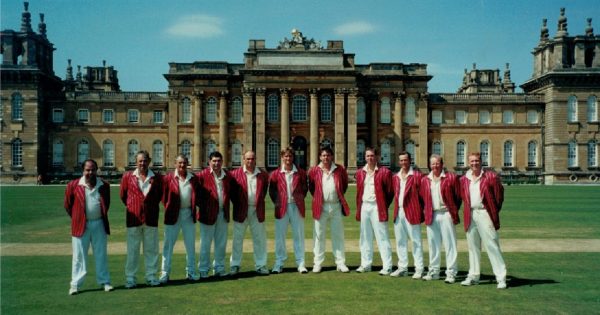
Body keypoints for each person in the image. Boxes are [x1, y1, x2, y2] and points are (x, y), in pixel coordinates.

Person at [64, 159, 113, 295]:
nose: (90, 172)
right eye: (87, 170)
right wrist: (78, 217)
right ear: (83, 171)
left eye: (92, 170)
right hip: (80, 224)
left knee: (101, 254)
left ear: (96, 170)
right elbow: (68, 205)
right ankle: (75, 284)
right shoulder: (73, 185)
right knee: (79, 256)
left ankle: (105, 281)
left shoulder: (104, 185)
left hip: (99, 223)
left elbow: (106, 205)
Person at [459, 152, 507, 289]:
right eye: (472, 161)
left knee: (492, 245)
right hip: (470, 214)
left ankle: (501, 277)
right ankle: (474, 276)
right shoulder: (464, 179)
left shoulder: (491, 176)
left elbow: (499, 197)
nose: (474, 163)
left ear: (481, 161)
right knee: (473, 247)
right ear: (469, 163)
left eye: (477, 161)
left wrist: (492, 211)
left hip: (485, 213)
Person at [120, 150, 163, 288]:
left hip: (151, 218)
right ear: (136, 161)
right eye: (140, 161)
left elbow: (159, 196)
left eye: (145, 161)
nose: (142, 163)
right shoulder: (128, 177)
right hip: (134, 219)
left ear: (149, 161)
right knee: (133, 250)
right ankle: (130, 278)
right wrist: (134, 207)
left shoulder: (157, 178)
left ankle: (151, 276)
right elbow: (123, 196)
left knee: (151, 249)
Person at [307, 146, 350, 273]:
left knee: (338, 235)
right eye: (323, 155)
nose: (326, 158)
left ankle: (340, 263)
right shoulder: (314, 170)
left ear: (332, 156)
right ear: (320, 157)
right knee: (319, 236)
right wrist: (319, 199)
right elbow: (312, 188)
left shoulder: (339, 169)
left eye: (328, 155)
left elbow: (344, 185)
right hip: (321, 206)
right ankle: (317, 263)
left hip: (336, 206)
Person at [420, 154, 461, 283]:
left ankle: (451, 272)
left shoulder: (451, 178)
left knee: (450, 245)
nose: (435, 166)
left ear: (442, 164)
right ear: (429, 165)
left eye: (437, 163)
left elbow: (458, 197)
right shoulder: (425, 180)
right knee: (433, 245)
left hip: (446, 213)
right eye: (433, 164)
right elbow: (422, 198)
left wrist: (452, 210)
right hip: (432, 214)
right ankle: (434, 271)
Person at [159, 154, 200, 283]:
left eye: (184, 163)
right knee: (168, 246)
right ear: (175, 164)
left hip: (188, 214)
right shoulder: (168, 178)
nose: (182, 165)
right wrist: (169, 206)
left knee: (190, 245)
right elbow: (163, 196)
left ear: (187, 164)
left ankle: (191, 272)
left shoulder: (193, 178)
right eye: (180, 163)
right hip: (172, 215)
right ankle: (165, 273)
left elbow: (197, 195)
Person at [229, 150, 270, 276]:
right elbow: (232, 193)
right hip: (241, 209)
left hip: (257, 210)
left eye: (252, 159)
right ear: (243, 159)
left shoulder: (263, 175)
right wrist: (239, 204)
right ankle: (235, 265)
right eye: (248, 159)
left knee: (259, 239)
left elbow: (263, 192)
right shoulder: (235, 174)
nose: (250, 161)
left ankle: (261, 265)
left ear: (255, 159)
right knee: (237, 239)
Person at [269, 147, 308, 274]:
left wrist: (299, 199)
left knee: (299, 236)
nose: (288, 158)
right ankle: (279, 263)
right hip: (282, 207)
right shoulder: (275, 174)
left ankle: (301, 263)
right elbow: (272, 191)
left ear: (293, 157)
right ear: (282, 157)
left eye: (290, 156)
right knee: (280, 237)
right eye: (285, 156)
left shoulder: (301, 173)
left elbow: (304, 189)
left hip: (296, 206)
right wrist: (279, 202)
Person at [355, 147, 394, 275]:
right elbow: (359, 192)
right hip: (365, 206)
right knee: (365, 237)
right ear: (365, 157)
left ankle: (387, 266)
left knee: (382, 237)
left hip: (377, 206)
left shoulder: (384, 172)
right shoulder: (360, 172)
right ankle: (366, 264)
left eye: (372, 156)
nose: (370, 158)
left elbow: (390, 192)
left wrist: (382, 204)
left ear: (377, 157)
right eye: (367, 156)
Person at [390, 151, 425, 279]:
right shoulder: (395, 177)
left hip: (412, 211)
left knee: (416, 241)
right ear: (399, 162)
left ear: (410, 161)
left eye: (405, 160)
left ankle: (419, 269)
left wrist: (420, 210)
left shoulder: (417, 176)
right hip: (399, 212)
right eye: (401, 160)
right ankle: (403, 267)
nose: (403, 162)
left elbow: (423, 196)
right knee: (400, 241)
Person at [197, 151, 231, 278]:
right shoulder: (202, 175)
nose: (216, 163)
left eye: (219, 161)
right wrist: (204, 207)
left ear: (222, 162)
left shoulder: (227, 176)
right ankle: (203, 269)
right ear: (209, 162)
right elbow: (197, 194)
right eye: (214, 161)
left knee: (221, 243)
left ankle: (219, 268)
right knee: (205, 243)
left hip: (223, 213)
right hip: (207, 214)